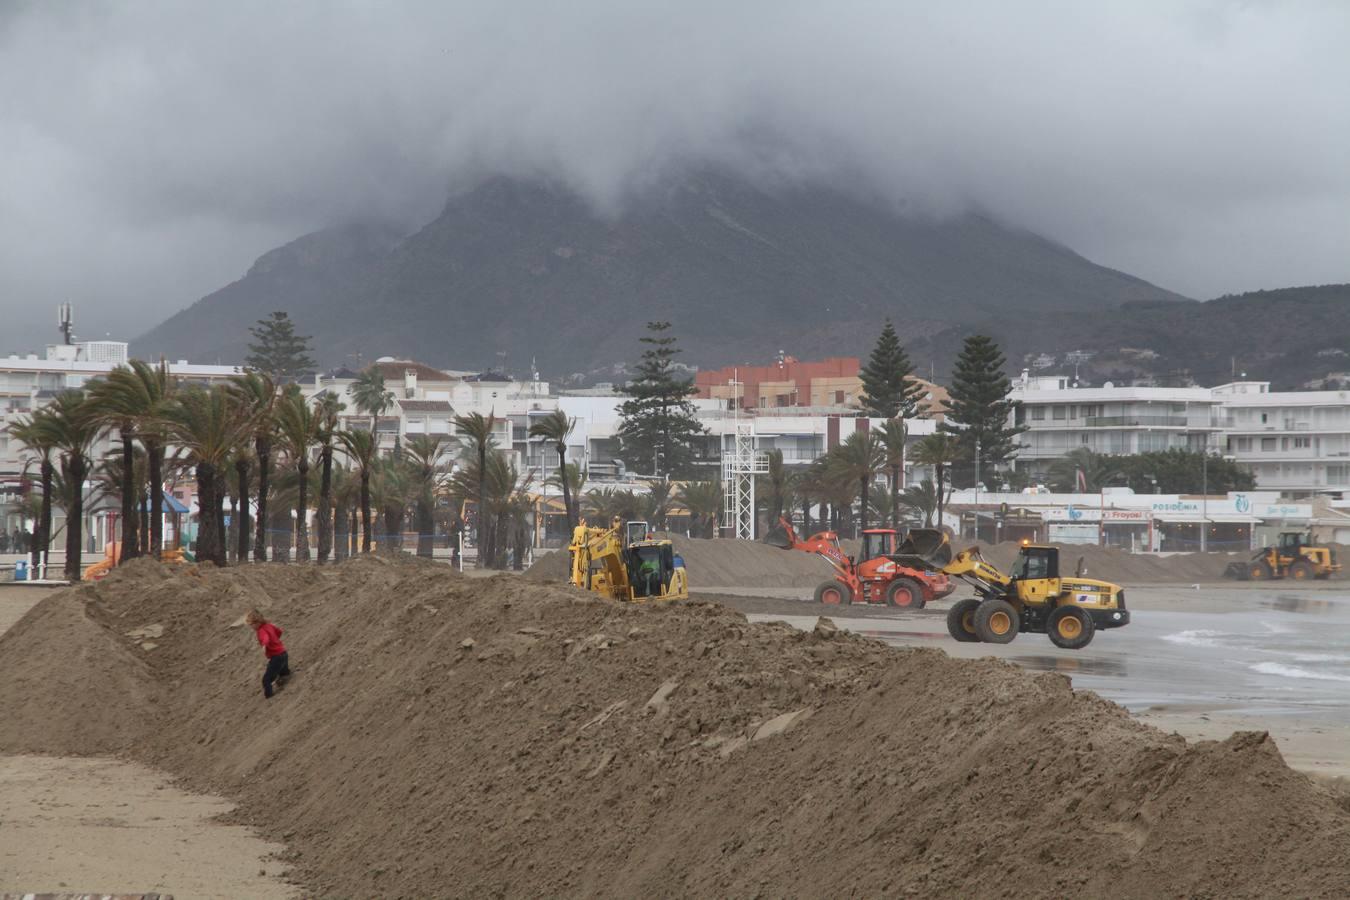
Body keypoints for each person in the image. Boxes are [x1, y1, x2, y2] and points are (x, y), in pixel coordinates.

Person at [244, 609, 290, 699]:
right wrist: (275, 641)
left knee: (266, 680)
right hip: (283, 653)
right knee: (283, 672)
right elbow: (279, 631)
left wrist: (265, 645)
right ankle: (284, 677)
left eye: (251, 625)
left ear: (257, 622)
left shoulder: (260, 631)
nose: (251, 627)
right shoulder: (269, 625)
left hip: (276, 657)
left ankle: (269, 696)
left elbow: (265, 638)